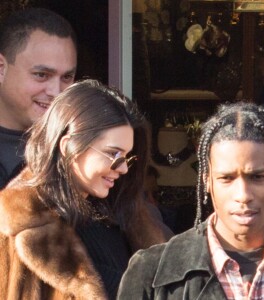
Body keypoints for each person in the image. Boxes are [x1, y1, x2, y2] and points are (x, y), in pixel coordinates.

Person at [0, 79, 172, 299]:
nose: (122, 169)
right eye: (113, 154)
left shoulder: (125, 219)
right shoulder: (17, 226)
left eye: (127, 158)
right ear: (68, 145)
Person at [117, 101, 264, 300]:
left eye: (257, 177)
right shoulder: (150, 272)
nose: (243, 195)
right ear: (207, 180)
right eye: (227, 178)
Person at [0, 7, 77, 188]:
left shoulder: (79, 148)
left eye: (66, 77)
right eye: (42, 75)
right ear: (1, 68)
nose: (56, 92)